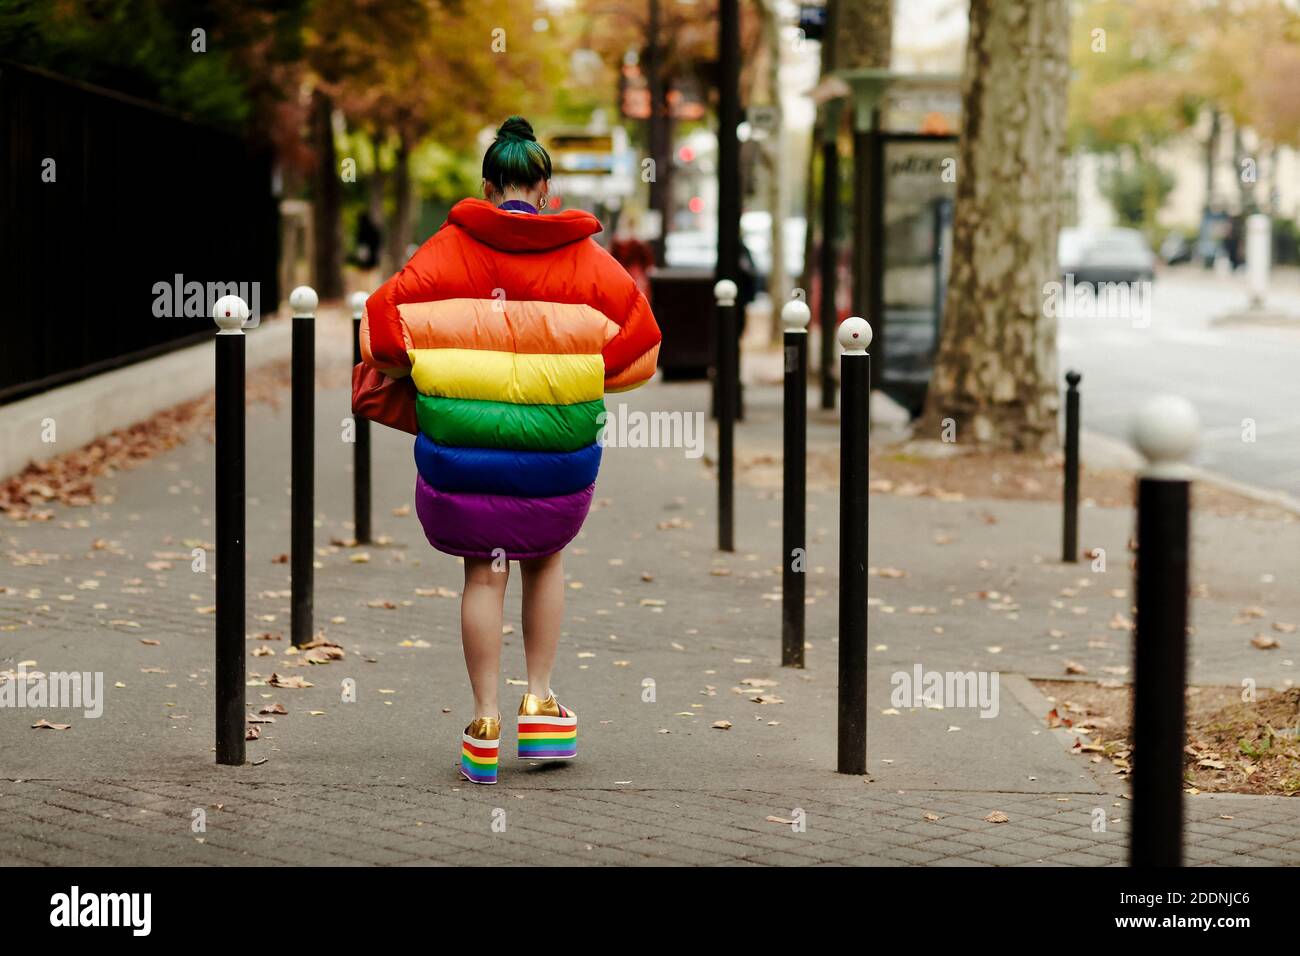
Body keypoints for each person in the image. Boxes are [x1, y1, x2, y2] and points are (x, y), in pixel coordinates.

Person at [358, 117, 661, 785]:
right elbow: (642, 346)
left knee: (482, 575)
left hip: (467, 451)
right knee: (545, 562)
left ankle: (483, 720)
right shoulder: (585, 258)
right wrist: (578, 375)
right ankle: (542, 704)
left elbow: (381, 338)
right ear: (545, 189)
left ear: (488, 186)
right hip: (555, 451)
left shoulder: (443, 251)